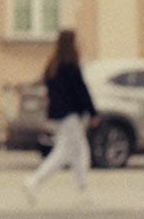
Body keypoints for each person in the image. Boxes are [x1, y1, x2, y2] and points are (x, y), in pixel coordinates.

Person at [23, 29, 98, 204]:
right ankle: (34, 181)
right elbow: (81, 90)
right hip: (71, 115)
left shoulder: (54, 64)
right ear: (71, 43)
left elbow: (50, 89)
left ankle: (83, 189)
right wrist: (93, 112)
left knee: (79, 151)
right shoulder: (70, 65)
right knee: (64, 152)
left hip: (61, 114)